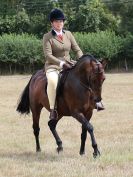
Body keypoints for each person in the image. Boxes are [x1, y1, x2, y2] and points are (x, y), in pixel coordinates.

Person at [43, 8, 104, 120]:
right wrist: (61, 63)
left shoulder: (69, 34)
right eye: (56, 21)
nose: (59, 23)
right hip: (53, 65)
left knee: (89, 76)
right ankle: (53, 109)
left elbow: (77, 49)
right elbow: (48, 56)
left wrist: (82, 61)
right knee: (52, 81)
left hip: (69, 63)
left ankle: (96, 102)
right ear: (52, 23)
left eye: (61, 21)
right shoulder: (47, 37)